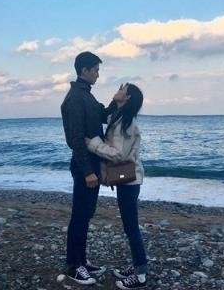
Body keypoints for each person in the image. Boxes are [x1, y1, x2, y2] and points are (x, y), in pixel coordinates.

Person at [61, 51, 116, 285]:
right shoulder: (75, 98)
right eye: (95, 70)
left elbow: (102, 116)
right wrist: (87, 171)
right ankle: (74, 266)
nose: (98, 75)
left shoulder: (86, 95)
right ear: (84, 70)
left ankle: (82, 261)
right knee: (80, 216)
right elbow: (75, 139)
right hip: (85, 165)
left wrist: (117, 101)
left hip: (92, 163)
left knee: (86, 214)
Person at [86, 83, 147, 290]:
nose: (118, 89)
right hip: (126, 179)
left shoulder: (127, 123)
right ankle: (137, 265)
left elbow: (118, 154)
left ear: (127, 97)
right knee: (130, 226)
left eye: (122, 88)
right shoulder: (118, 117)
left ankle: (140, 275)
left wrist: (92, 143)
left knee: (131, 227)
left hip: (130, 181)